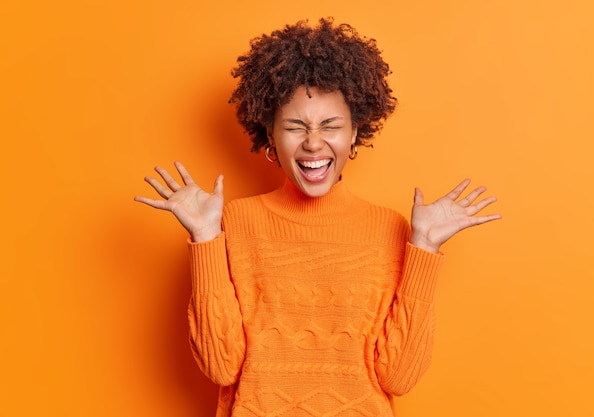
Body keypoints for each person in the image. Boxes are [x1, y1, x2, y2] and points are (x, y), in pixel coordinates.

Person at [135, 18, 501, 417]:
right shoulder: (230, 224)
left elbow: (398, 378)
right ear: (270, 134)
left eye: (331, 125)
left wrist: (425, 248)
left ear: (356, 133)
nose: (313, 142)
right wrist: (206, 237)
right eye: (295, 126)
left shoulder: (391, 230)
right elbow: (221, 366)